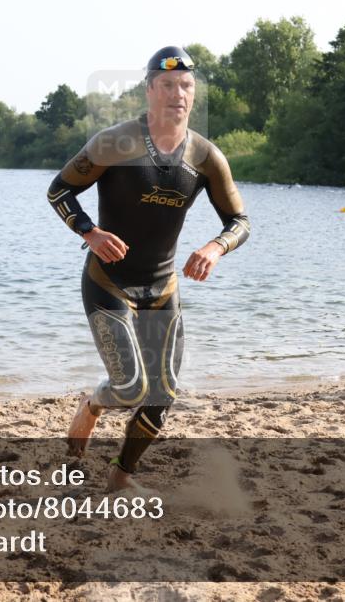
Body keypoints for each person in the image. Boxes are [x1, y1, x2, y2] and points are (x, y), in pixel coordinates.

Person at [47, 46, 250, 492]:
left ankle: (119, 478)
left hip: (161, 286)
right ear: (149, 90)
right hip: (108, 282)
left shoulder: (205, 157)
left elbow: (240, 222)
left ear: (194, 93)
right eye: (168, 85)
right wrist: (90, 233)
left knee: (162, 396)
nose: (178, 94)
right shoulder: (114, 143)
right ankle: (91, 405)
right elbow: (59, 191)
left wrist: (216, 248)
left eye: (186, 86)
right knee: (130, 387)